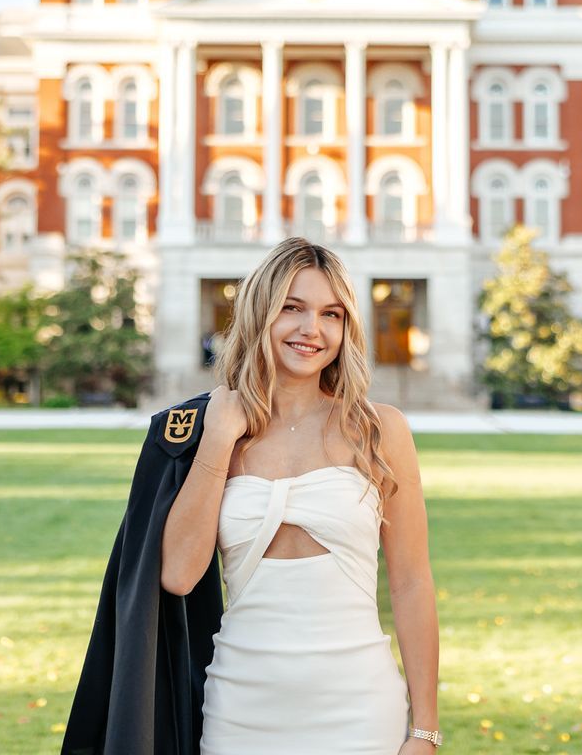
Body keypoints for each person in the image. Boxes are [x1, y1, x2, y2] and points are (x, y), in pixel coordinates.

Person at [159, 237, 444, 754]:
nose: (312, 329)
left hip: (359, 709)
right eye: (293, 308)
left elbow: (411, 583)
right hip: (240, 709)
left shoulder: (379, 430)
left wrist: (424, 729)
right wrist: (220, 437)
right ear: (259, 314)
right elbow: (178, 574)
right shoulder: (212, 430)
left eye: (331, 314)